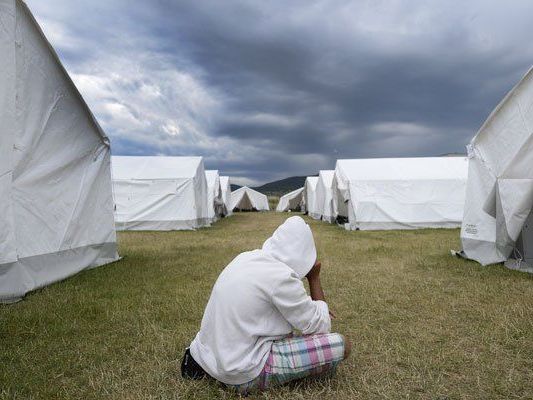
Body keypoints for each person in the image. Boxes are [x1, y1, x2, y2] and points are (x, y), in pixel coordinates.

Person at [181, 216, 351, 394]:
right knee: (341, 344)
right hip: (242, 371)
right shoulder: (281, 277)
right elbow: (321, 327)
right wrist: (314, 278)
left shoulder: (245, 257)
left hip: (208, 360)